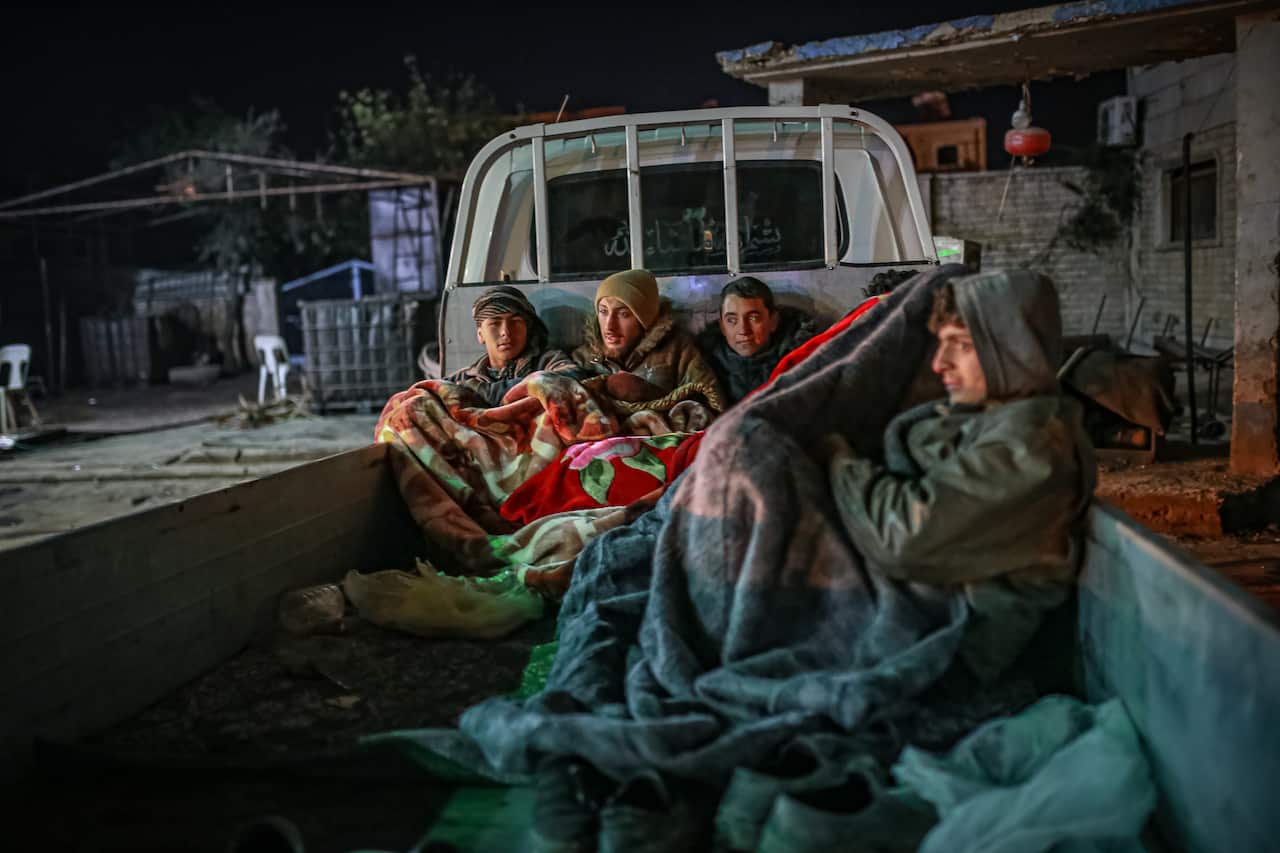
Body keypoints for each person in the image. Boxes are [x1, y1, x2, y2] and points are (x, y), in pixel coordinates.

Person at [825, 272, 1097, 683]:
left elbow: (903, 536)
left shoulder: (1035, 447)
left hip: (953, 651)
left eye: (963, 346)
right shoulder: (996, 419)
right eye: (943, 343)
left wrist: (839, 464)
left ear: (1012, 351)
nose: (940, 363)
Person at [572, 268, 723, 413]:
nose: (609, 326)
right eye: (603, 312)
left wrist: (647, 394)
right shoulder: (583, 358)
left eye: (623, 314)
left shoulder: (677, 352)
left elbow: (710, 402)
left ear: (645, 319)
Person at [694, 276, 820, 404]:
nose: (743, 330)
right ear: (722, 326)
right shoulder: (704, 366)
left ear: (773, 321)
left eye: (753, 318)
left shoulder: (802, 361)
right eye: (732, 320)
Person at [445, 285, 576, 406]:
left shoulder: (546, 361)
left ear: (528, 329)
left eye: (515, 322)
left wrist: (481, 391)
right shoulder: (465, 377)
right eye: (495, 323)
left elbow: (571, 379)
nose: (505, 332)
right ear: (480, 335)